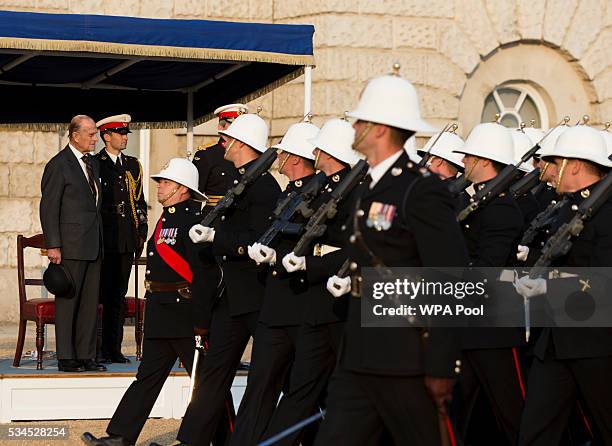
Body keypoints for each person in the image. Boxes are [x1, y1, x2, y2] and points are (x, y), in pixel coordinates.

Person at [315, 67, 469, 445]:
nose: (353, 129)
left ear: (379, 129)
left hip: (406, 359)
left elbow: (449, 278)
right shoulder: (368, 184)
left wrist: (441, 363)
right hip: (360, 355)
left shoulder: (420, 190)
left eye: (359, 122)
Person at [81, 158, 215, 446]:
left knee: (206, 382)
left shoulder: (194, 221)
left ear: (182, 188)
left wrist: (202, 322)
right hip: (162, 309)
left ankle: (222, 437)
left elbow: (203, 276)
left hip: (185, 313)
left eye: (165, 181)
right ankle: (120, 436)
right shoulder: (167, 217)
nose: (159, 185)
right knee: (147, 378)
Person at [176, 113, 281, 446]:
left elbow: (255, 239)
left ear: (241, 144)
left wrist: (215, 237)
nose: (223, 143)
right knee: (213, 374)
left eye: (227, 138)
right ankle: (191, 439)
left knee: (271, 377)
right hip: (233, 295)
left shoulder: (263, 185)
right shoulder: (243, 180)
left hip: (257, 294)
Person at [260, 118, 363, 446]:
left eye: (319, 147)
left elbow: (353, 248)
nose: (313, 151)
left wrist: (311, 263)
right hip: (318, 305)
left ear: (330, 152)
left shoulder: (355, 192)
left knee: (354, 391)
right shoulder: (324, 188)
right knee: (300, 391)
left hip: (345, 303)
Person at [515, 125, 612, 445]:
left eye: (556, 163)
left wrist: (550, 287)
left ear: (576, 165)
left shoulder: (606, 213)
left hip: (596, 342)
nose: (550, 170)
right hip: (556, 340)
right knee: (536, 431)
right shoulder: (565, 208)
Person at [228, 120, 321, 445]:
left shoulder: (319, 194)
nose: (278, 157)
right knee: (259, 387)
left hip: (302, 307)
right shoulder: (288, 191)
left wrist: (276, 256)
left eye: (284, 153)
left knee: (305, 392)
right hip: (275, 307)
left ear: (296, 158)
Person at [452, 122, 526, 445]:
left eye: (468, 157)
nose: (464, 163)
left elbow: (486, 269)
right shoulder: (479, 204)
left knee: (513, 413)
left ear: (483, 161)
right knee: (456, 412)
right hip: (467, 325)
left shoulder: (501, 209)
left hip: (493, 327)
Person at [40, 115, 106, 373]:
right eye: (90, 134)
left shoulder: (93, 164)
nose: (94, 138)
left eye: (95, 133)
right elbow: (48, 207)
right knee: (69, 301)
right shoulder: (59, 164)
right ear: (74, 135)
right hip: (70, 245)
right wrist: (53, 245)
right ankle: (67, 356)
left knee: (90, 303)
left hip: (93, 244)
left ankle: (86, 355)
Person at [95, 114, 148, 364]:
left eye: (126, 133)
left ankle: (113, 348)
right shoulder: (96, 163)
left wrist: (141, 230)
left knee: (117, 294)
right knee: (99, 294)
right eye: (120, 133)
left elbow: (138, 200)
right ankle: (96, 347)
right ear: (107, 136)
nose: (125, 137)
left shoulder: (133, 164)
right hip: (104, 236)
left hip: (126, 236)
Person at [192, 103, 247, 214]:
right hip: (214, 217)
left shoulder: (248, 153)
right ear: (220, 127)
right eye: (233, 126)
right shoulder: (207, 155)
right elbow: (194, 198)